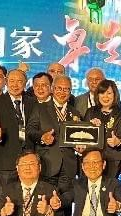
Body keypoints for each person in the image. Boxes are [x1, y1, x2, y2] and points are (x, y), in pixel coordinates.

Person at [27, 74, 81, 203]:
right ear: (52, 89)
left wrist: (80, 147)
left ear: (70, 91)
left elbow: (78, 137)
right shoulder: (40, 108)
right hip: (47, 164)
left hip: (68, 166)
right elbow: (30, 130)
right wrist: (42, 137)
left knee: (66, 203)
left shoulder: (75, 113)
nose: (62, 92)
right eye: (59, 88)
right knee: (45, 203)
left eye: (66, 89)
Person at [0, 68, 36, 194]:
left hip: (29, 161)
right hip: (5, 162)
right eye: (12, 81)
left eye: (19, 81)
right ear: (6, 82)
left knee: (27, 197)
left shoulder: (33, 102)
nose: (15, 85)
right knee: (4, 199)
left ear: (25, 83)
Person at [84, 80, 121, 179]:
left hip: (113, 158)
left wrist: (118, 142)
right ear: (97, 95)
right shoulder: (91, 112)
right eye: (102, 93)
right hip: (93, 157)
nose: (105, 97)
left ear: (114, 95)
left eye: (109, 93)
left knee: (110, 186)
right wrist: (92, 127)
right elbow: (84, 136)